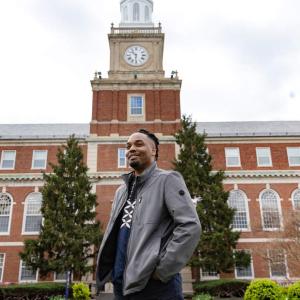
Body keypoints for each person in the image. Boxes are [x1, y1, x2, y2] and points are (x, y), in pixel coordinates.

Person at [96, 129, 201, 300]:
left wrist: (162, 270)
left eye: (139, 144)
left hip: (156, 286)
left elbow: (190, 226)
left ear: (154, 150)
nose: (131, 149)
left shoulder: (168, 180)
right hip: (121, 284)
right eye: (128, 146)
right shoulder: (121, 191)